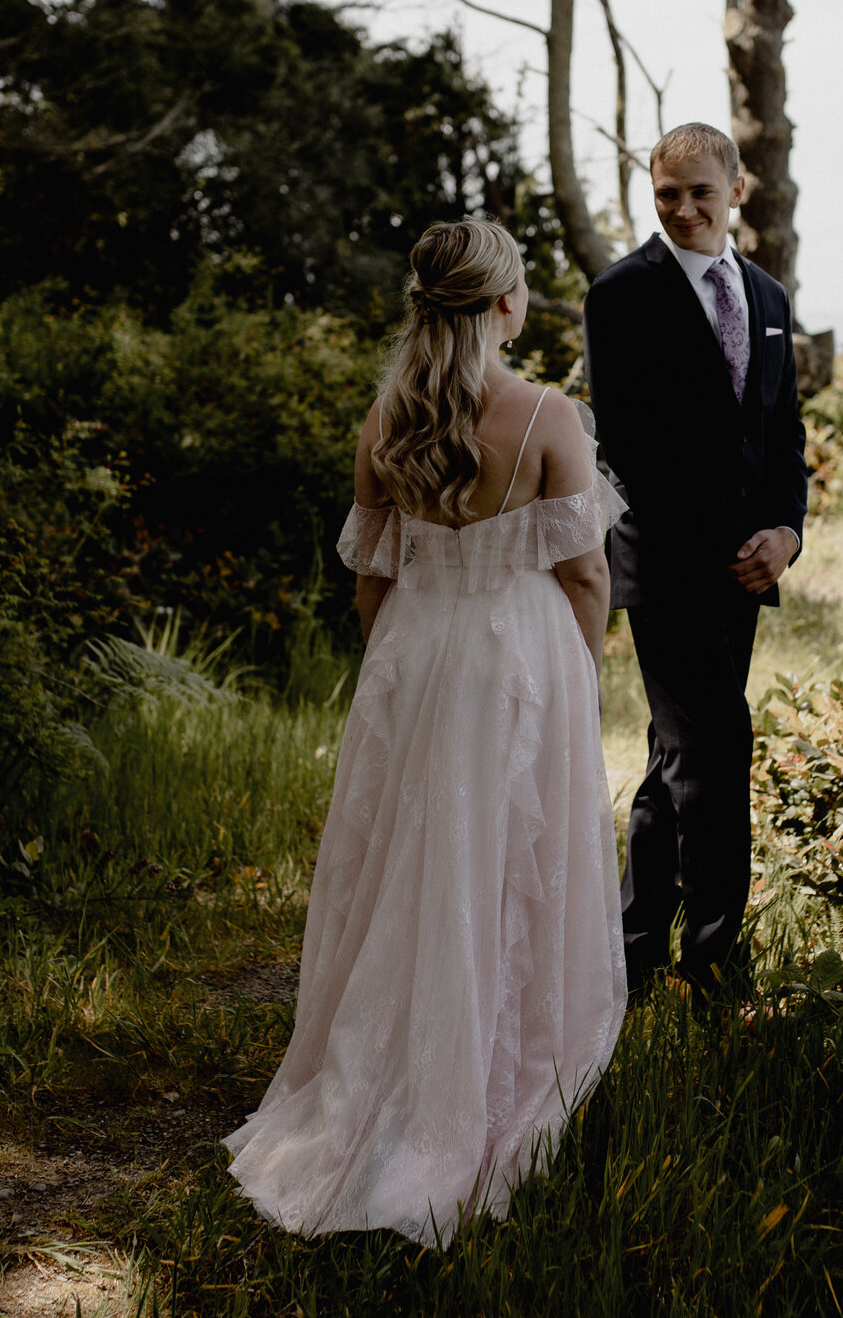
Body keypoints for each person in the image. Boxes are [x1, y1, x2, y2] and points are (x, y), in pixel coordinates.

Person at [223, 220, 628, 1246]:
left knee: (408, 865)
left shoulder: (386, 415)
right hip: (516, 659)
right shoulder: (545, 414)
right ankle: (484, 1076)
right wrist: (579, 668)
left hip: (414, 652)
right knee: (509, 858)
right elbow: (584, 572)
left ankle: (384, 1065)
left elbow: (372, 576)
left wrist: (396, 666)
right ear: (505, 305)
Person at [584, 122, 810, 1002]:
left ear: (737, 191)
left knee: (676, 755)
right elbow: (633, 445)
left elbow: (782, 432)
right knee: (718, 748)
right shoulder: (620, 293)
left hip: (751, 567)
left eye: (699, 192)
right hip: (669, 561)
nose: (681, 208)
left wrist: (785, 532)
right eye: (666, 192)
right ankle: (716, 967)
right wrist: (735, 543)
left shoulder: (767, 295)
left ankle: (632, 950)